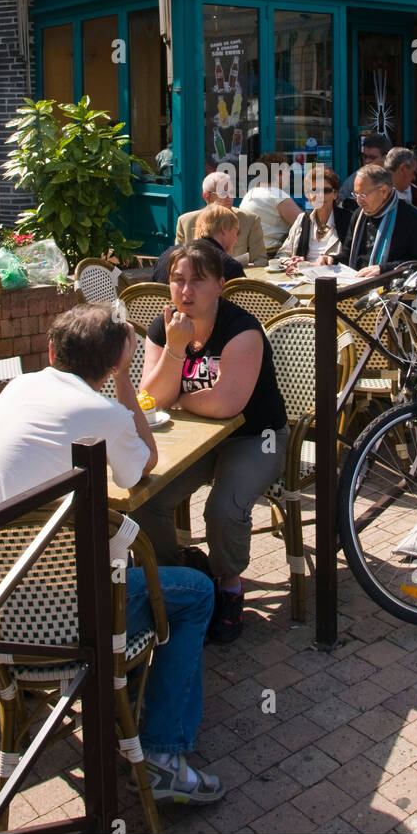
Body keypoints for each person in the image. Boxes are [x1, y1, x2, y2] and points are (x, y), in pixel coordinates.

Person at [0, 303, 223, 805]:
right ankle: (163, 756)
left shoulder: (17, 388)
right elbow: (145, 465)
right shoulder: (101, 412)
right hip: (64, 619)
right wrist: (125, 383)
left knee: (104, 556)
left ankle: (126, 683)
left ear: (51, 350)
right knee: (196, 592)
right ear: (114, 362)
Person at [135, 241, 288, 645]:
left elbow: (227, 403)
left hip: (256, 435)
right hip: (197, 439)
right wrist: (175, 349)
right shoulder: (163, 326)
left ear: (220, 285)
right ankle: (176, 580)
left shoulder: (242, 329)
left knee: (223, 507)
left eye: (197, 281)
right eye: (177, 281)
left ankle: (228, 587)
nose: (186, 292)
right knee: (146, 501)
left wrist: (179, 397)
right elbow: (149, 398)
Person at [321, 164, 417, 277]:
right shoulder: (359, 215)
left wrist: (384, 269)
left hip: (394, 287)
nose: (358, 201)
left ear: (384, 191)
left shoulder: (413, 218)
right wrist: (332, 259)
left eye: (363, 194)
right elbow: (348, 255)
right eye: (356, 194)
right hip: (356, 282)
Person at [175, 170, 267, 266]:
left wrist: (244, 269)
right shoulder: (185, 222)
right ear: (206, 196)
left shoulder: (250, 220)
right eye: (223, 192)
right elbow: (177, 259)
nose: (230, 197)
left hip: (236, 278)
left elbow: (261, 260)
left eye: (232, 192)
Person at [154, 204, 245, 284]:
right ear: (223, 229)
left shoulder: (164, 257)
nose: (236, 239)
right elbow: (245, 301)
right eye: (236, 232)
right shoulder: (229, 266)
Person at [278, 166, 351, 265]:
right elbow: (282, 254)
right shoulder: (302, 219)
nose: (320, 195)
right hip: (301, 277)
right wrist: (290, 261)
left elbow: (351, 257)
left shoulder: (348, 220)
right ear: (308, 195)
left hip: (335, 277)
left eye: (326, 190)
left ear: (335, 194)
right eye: (314, 190)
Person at [237, 153, 301, 256]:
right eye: (287, 170)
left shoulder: (251, 193)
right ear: (278, 174)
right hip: (271, 253)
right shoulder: (277, 195)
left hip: (250, 252)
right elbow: (305, 223)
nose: (289, 174)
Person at [338, 134, 392, 202]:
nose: (367, 161)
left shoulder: (395, 177)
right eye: (365, 156)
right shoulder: (355, 178)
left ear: (385, 157)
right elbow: (340, 200)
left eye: (372, 157)